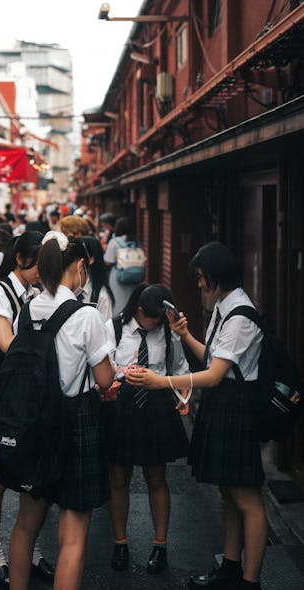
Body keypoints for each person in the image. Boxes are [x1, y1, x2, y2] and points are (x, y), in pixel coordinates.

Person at [127, 242, 267, 590]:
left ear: (216, 276)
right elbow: (212, 360)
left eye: (203, 278)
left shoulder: (239, 317)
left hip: (234, 405)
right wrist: (186, 335)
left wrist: (163, 382)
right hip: (222, 403)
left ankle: (249, 581)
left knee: (247, 498)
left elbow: (215, 375)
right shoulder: (224, 307)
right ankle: (231, 567)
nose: (200, 284)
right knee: (228, 492)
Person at [8, 231, 115, 590]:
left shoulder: (29, 308)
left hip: (34, 420)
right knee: (73, 534)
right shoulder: (86, 315)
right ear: (79, 267)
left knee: (26, 525)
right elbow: (104, 379)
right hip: (75, 420)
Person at [0, 230, 54, 587]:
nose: (43, 270)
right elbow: (5, 340)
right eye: (40, 263)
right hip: (5, 398)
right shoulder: (0, 290)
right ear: (22, 259)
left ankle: (31, 551)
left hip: (30, 396)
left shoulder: (35, 293)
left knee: (31, 472)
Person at [103, 284, 190, 575]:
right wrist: (117, 376)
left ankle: (160, 545)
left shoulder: (167, 332)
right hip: (121, 404)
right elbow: (100, 366)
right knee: (118, 477)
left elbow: (179, 368)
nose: (158, 323)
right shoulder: (113, 327)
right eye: (154, 318)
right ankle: (120, 543)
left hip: (157, 405)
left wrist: (183, 398)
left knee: (156, 477)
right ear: (139, 311)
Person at [104, 217, 143, 310]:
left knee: (118, 300)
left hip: (118, 276)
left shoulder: (115, 242)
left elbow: (108, 261)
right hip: (135, 276)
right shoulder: (136, 242)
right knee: (131, 300)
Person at [81, 236, 114, 321]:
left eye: (79, 255)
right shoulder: (69, 287)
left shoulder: (102, 296)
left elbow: (105, 331)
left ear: (91, 260)